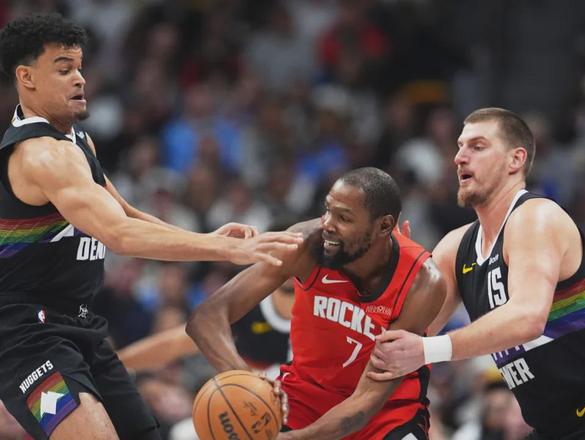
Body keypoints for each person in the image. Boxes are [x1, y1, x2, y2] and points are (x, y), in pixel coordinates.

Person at [0, 13, 302, 440]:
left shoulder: (77, 142)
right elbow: (118, 235)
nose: (80, 79)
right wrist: (227, 251)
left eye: (80, 68)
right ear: (26, 77)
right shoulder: (41, 155)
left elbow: (124, 214)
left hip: (78, 325)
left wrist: (205, 238)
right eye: (64, 70)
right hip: (26, 335)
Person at [369, 107, 585, 438]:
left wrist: (427, 350)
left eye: (477, 146)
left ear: (515, 160)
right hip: (554, 427)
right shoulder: (455, 247)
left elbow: (527, 318)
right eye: (460, 147)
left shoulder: (536, 217)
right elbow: (402, 337)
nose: (460, 157)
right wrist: (392, 279)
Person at [186, 167, 446, 439]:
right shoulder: (305, 244)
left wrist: (292, 439)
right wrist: (248, 383)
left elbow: (366, 400)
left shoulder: (422, 282)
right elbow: (206, 318)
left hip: (385, 414)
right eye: (328, 210)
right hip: (302, 401)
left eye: (344, 218)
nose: (328, 225)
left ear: (383, 226)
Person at [117, 279, 296, 378]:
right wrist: (114, 363)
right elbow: (174, 344)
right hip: (256, 407)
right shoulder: (246, 307)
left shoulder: (315, 309)